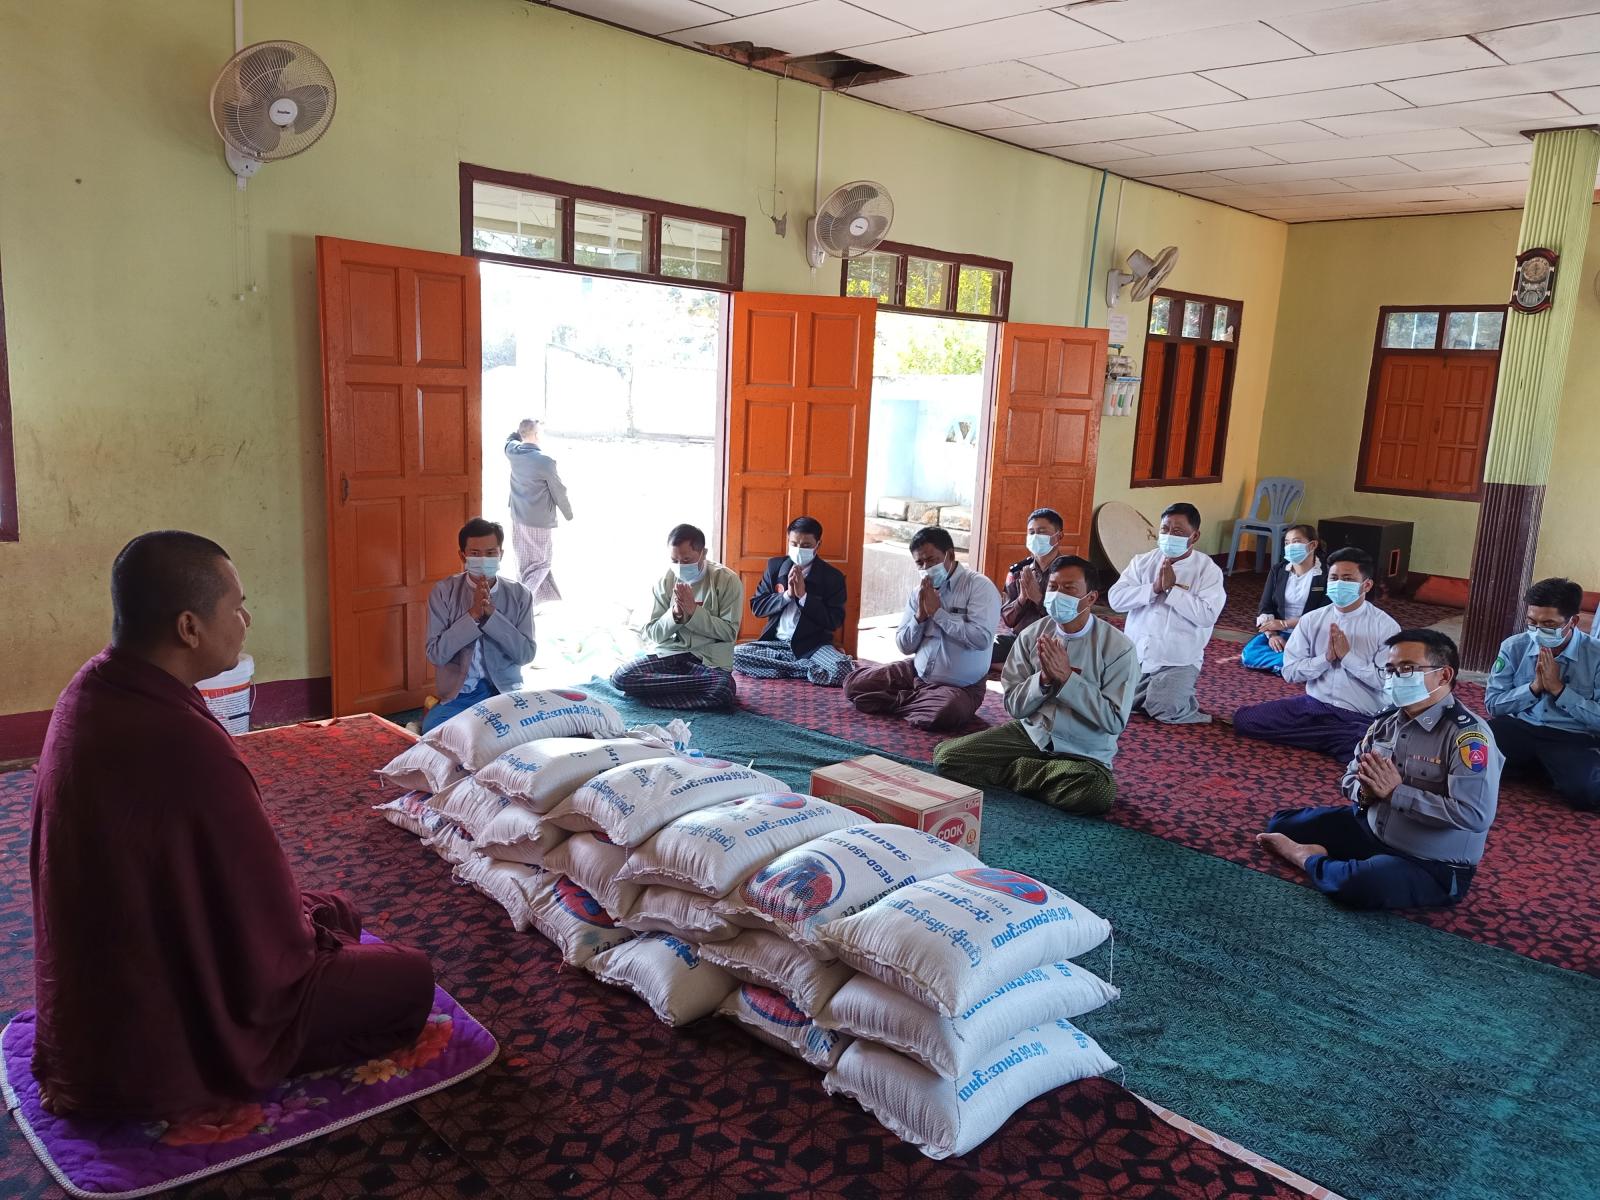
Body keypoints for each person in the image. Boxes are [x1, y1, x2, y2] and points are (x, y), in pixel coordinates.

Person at [29, 531, 435, 1120]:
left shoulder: (93, 687)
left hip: (113, 970)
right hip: (160, 1014)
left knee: (338, 910)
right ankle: (248, 1058)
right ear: (189, 628)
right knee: (410, 978)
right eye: (237, 606)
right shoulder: (183, 745)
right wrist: (306, 945)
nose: (246, 620)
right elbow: (265, 927)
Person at [1257, 629, 1501, 911]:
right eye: (1390, 670)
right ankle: (1347, 859)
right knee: (1282, 824)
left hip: (1429, 862)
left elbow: (1475, 815)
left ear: (1444, 675)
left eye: (1407, 669)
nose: (1395, 678)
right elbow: (1351, 776)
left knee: (1356, 884)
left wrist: (1395, 794)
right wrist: (1366, 794)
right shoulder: (1386, 721)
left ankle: (1306, 857)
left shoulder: (1467, 737)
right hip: (1372, 828)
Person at [936, 556, 1137, 815]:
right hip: (1032, 734)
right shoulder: (1032, 635)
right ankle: (1035, 775)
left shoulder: (1118, 648)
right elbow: (1013, 706)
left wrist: (1067, 679)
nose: (1058, 595)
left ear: (1090, 598)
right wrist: (1042, 681)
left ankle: (1017, 770)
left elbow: (1114, 721)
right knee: (947, 758)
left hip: (1083, 750)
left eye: (1069, 589)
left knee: (1096, 792)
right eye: (1053, 587)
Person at [1233, 548, 1399, 762]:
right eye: (1334, 578)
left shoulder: (1385, 627)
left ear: (1366, 585)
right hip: (1313, 707)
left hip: (1358, 716)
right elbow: (1290, 672)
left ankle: (1330, 739)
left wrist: (1348, 658)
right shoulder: (1311, 620)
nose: (1339, 584)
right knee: (1245, 720)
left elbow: (1388, 682)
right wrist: (1326, 659)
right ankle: (1332, 741)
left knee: (1372, 751)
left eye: (1347, 579)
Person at [843, 527, 1001, 732]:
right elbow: (904, 646)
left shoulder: (979, 586)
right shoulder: (919, 591)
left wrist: (938, 614)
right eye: (920, 563)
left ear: (950, 555)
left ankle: (904, 701)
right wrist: (920, 617)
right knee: (854, 685)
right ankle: (918, 701)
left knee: (946, 712)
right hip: (917, 672)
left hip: (961, 686)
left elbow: (981, 639)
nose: (926, 568)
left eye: (932, 560)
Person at [1483, 576, 1600, 810]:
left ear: (1573, 621)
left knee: (1587, 792)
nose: (1537, 631)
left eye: (1548, 624)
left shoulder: (1596, 656)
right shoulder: (1514, 646)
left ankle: (1535, 767)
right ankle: (1545, 769)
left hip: (1572, 736)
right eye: (1532, 622)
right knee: (1467, 752)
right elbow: (1493, 704)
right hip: (1521, 727)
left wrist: (1559, 690)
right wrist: (1533, 688)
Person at [1106, 502, 1226, 724]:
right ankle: (1147, 694)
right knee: (1108, 701)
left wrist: (1172, 590)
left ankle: (1159, 695)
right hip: (1136, 655)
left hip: (1177, 659)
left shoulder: (1207, 570)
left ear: (1195, 536)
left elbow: (1207, 615)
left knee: (1167, 710)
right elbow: (1116, 600)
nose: (1169, 536)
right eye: (1165, 529)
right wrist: (1154, 589)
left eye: (1178, 532)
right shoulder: (1142, 562)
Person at [611, 523, 744, 710]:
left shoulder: (727, 580)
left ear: (703, 553)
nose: (680, 566)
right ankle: (684, 696)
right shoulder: (665, 581)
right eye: (674, 560)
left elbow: (729, 632)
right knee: (622, 676)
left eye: (687, 560)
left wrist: (694, 613)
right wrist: (674, 615)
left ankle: (651, 698)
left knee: (724, 688)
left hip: (707, 661)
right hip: (670, 655)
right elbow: (653, 633)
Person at [424, 518, 536, 732]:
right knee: (436, 732)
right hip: (460, 695)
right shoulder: (444, 592)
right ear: (463, 556)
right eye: (475, 553)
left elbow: (526, 654)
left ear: (501, 554)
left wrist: (492, 616)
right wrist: (473, 615)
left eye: (491, 553)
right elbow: (435, 655)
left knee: (529, 731)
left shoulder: (520, 595)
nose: (484, 559)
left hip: (504, 693)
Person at [733, 515, 853, 687]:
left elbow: (834, 621)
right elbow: (757, 607)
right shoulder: (775, 567)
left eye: (806, 546)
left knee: (843, 669)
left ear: (818, 545)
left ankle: (781, 668)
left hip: (813, 647)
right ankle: (805, 668)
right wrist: (787, 595)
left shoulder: (832, 577)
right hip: (775, 644)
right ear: (788, 540)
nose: (798, 549)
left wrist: (804, 597)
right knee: (732, 655)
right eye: (794, 544)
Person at [1241, 524, 1329, 673]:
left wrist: (1284, 624)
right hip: (1279, 631)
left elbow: (1323, 615)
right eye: (1287, 543)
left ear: (1312, 545)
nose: (1290, 547)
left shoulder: (1326, 575)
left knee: (1318, 652)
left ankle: (1292, 664)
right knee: (1250, 655)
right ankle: (1295, 666)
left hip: (1309, 634)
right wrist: (1272, 635)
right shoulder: (1278, 570)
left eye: (1296, 542)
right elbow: (1265, 606)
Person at [505, 418, 572, 604]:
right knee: (542, 563)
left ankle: (528, 604)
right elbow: (558, 490)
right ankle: (522, 601)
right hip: (539, 520)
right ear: (535, 435)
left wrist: (519, 432)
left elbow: (509, 439)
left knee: (524, 562)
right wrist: (568, 513)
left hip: (517, 516)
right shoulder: (545, 462)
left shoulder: (512, 451)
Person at [992, 507, 1064, 665]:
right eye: (1031, 532)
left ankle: (1016, 666)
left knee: (1064, 658)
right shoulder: (1018, 571)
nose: (1035, 537)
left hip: (1055, 641)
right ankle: (1018, 665)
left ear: (1059, 536)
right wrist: (1022, 599)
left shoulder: (1069, 572)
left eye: (1042, 532)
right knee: (981, 649)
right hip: (1020, 639)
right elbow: (1008, 620)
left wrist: (1039, 599)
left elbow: (1070, 619)